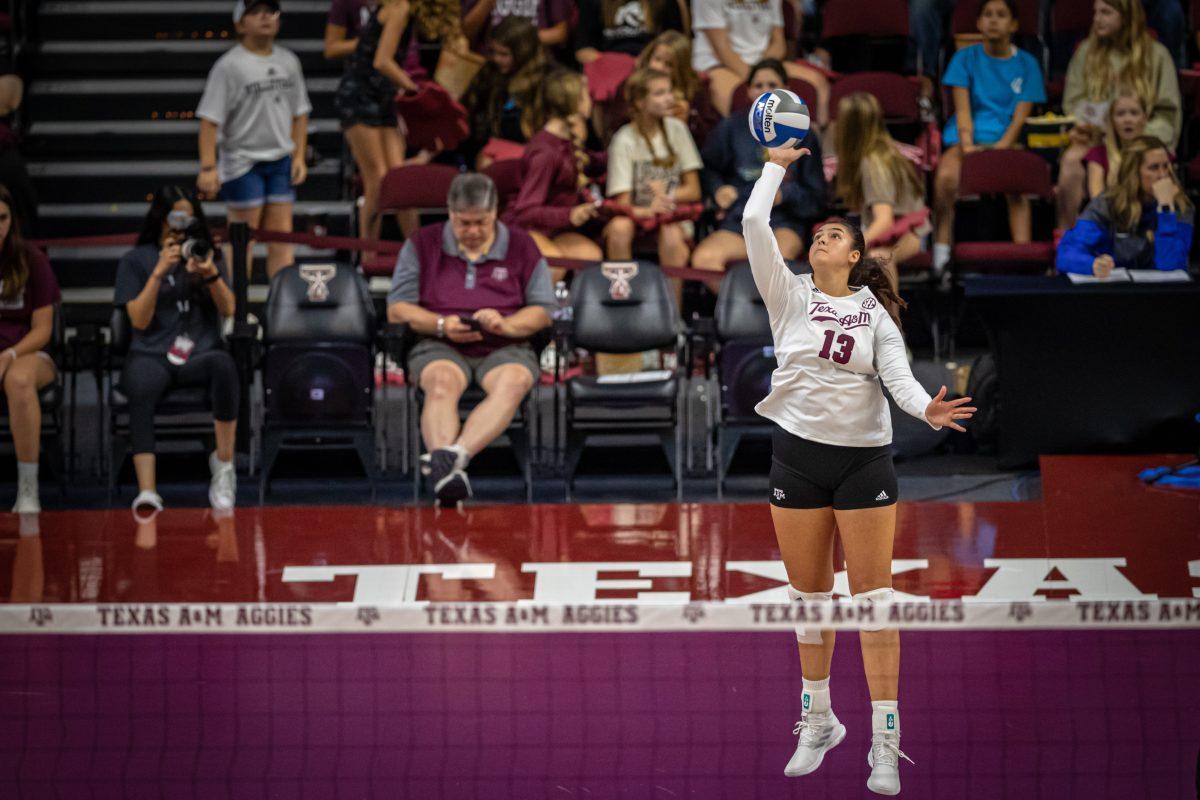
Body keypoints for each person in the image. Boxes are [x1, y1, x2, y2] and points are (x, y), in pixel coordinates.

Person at [743, 145, 975, 796]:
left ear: (853, 257)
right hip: (797, 457)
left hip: (863, 465)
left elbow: (898, 381)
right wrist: (774, 168)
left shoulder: (875, 315)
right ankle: (818, 721)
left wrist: (926, 410)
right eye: (819, 232)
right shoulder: (786, 296)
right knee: (809, 604)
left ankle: (884, 735)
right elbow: (755, 226)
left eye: (835, 234)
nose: (823, 236)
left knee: (874, 604)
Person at [386, 173, 554, 505]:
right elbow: (397, 309)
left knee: (514, 380)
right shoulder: (422, 243)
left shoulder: (522, 245)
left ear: (495, 213)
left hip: (505, 344)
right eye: (464, 223)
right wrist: (439, 324)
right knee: (441, 383)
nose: (473, 231)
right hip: (439, 343)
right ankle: (448, 470)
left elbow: (544, 310)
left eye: (481, 222)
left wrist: (506, 325)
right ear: (450, 213)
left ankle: (451, 460)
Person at [114, 186, 239, 517]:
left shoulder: (205, 253)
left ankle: (224, 470)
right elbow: (138, 321)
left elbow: (229, 310)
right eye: (175, 216)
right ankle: (147, 490)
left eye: (189, 215)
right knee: (139, 384)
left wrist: (211, 275)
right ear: (161, 218)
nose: (182, 223)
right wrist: (158, 273)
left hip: (199, 352)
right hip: (151, 352)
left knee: (225, 365)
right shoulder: (136, 260)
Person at [196, 0, 312, 278]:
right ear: (240, 23)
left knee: (281, 237)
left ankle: (281, 307)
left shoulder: (289, 61)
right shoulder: (229, 66)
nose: (265, 18)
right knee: (241, 239)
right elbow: (210, 120)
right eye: (255, 13)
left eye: (271, 12)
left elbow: (300, 113)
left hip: (279, 159)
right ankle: (236, 310)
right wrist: (209, 167)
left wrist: (298, 155)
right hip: (242, 161)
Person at [932, 0, 1046, 274]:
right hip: (966, 142)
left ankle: (1024, 263)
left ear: (1014, 25)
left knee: (1017, 187)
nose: (994, 20)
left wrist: (1000, 152)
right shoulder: (965, 58)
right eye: (988, 15)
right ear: (979, 23)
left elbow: (1019, 119)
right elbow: (962, 112)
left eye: (1001, 15)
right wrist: (969, 147)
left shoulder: (1028, 64)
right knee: (945, 179)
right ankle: (941, 257)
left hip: (1007, 142)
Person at [692, 59, 826, 290]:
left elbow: (817, 197)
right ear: (748, 91)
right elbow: (707, 168)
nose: (765, 91)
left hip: (784, 222)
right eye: (758, 85)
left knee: (776, 262)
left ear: (787, 89)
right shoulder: (730, 127)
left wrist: (784, 195)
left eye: (772, 84)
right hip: (740, 220)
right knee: (704, 259)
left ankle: (769, 322)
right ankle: (743, 316)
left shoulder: (804, 133)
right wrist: (717, 189)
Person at [1056, 0, 1181, 229]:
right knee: (1071, 163)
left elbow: (1168, 114)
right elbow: (1073, 103)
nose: (1096, 19)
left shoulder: (1157, 55)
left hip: (1142, 138)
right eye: (1095, 12)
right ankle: (1069, 238)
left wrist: (1136, 136)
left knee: (1136, 161)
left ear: (1126, 16)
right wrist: (1091, 126)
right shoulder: (1086, 51)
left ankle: (1140, 238)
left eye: (1106, 13)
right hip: (1097, 137)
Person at [334, 0, 433, 246]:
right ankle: (367, 255)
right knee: (376, 179)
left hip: (383, 96)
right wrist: (415, 89)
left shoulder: (402, 9)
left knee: (400, 179)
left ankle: (419, 253)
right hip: (359, 95)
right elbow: (382, 61)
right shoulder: (398, 8)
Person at [502, 70, 605, 273]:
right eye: (585, 95)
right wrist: (570, 215)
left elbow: (593, 162)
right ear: (572, 103)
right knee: (553, 265)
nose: (590, 101)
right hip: (528, 228)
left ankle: (577, 305)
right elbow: (526, 211)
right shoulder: (546, 153)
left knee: (591, 257)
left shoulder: (566, 142)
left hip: (555, 228)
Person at [605, 67, 703, 279]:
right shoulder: (624, 139)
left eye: (669, 91)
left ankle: (672, 309)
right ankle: (622, 300)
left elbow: (694, 190)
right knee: (618, 229)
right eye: (659, 93)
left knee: (670, 234)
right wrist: (649, 209)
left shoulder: (677, 129)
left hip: (673, 212)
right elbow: (622, 202)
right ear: (640, 103)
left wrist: (666, 198)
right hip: (636, 213)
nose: (669, 99)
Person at [0, 185, 60, 514]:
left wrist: (8, 356)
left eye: (3, 218)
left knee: (18, 381)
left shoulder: (31, 259)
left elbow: (43, 330)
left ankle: (27, 487)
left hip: (27, 352)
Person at [1057, 136, 1193, 276]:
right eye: (1154, 168)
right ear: (1133, 172)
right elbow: (1066, 254)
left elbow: (1171, 268)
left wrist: (1166, 210)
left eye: (1166, 166)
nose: (1163, 175)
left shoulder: (1179, 207)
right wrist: (1092, 264)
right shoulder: (1108, 203)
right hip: (1117, 291)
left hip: (1160, 295)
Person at [689, 0, 829, 122]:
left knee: (818, 83)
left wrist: (765, 70)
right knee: (739, 97)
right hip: (718, 63)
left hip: (763, 60)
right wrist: (756, 77)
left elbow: (778, 44)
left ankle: (817, 145)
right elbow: (721, 48)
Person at [834, 92, 930, 269]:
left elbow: (884, 221)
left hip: (911, 235)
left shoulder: (874, 163)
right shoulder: (878, 152)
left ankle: (887, 299)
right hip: (901, 233)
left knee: (877, 258)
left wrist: (850, 247)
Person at [461, 16, 549, 169]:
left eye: (504, 54)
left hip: (530, 154)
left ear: (523, 52)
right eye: (494, 52)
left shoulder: (545, 81)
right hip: (492, 151)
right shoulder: (489, 74)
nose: (496, 59)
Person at [1083, 85, 1150, 199]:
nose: (1127, 120)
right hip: (1109, 214)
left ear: (1144, 118)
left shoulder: (1156, 152)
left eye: (1134, 113)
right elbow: (1097, 203)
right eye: (1120, 114)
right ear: (1111, 120)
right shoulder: (1098, 154)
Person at [574, 0, 686, 63]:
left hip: (652, 69)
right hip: (608, 69)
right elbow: (583, 51)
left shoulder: (665, 2)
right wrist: (623, 64)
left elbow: (676, 44)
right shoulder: (593, 2)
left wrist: (647, 62)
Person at [462, 0, 571, 49]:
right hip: (489, 61)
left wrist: (518, 39)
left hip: (530, 65)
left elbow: (560, 33)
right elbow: (467, 30)